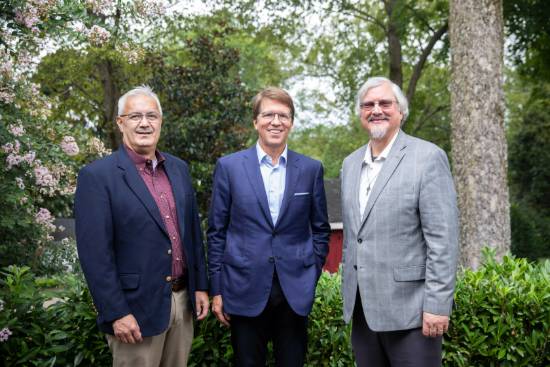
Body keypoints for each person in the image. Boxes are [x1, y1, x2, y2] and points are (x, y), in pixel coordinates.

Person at [75, 86, 209, 367]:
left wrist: (200, 287)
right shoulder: (98, 177)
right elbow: (95, 255)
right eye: (135, 116)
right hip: (133, 311)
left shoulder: (179, 169)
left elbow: (193, 235)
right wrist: (115, 312)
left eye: (152, 115)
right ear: (120, 122)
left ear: (161, 121)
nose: (145, 123)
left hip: (181, 303)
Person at [207, 87, 331, 366]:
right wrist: (217, 289)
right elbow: (217, 232)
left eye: (283, 115)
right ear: (256, 122)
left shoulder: (311, 169)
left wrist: (311, 271)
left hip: (294, 291)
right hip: (243, 287)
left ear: (291, 122)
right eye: (269, 114)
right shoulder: (229, 167)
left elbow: (321, 229)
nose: (276, 121)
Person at [340, 76, 459, 366]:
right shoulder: (350, 164)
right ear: (360, 113)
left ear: (401, 111)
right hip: (363, 313)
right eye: (368, 104)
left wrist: (437, 305)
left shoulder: (428, 158)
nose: (376, 109)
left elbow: (443, 240)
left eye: (385, 103)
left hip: (413, 314)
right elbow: (354, 237)